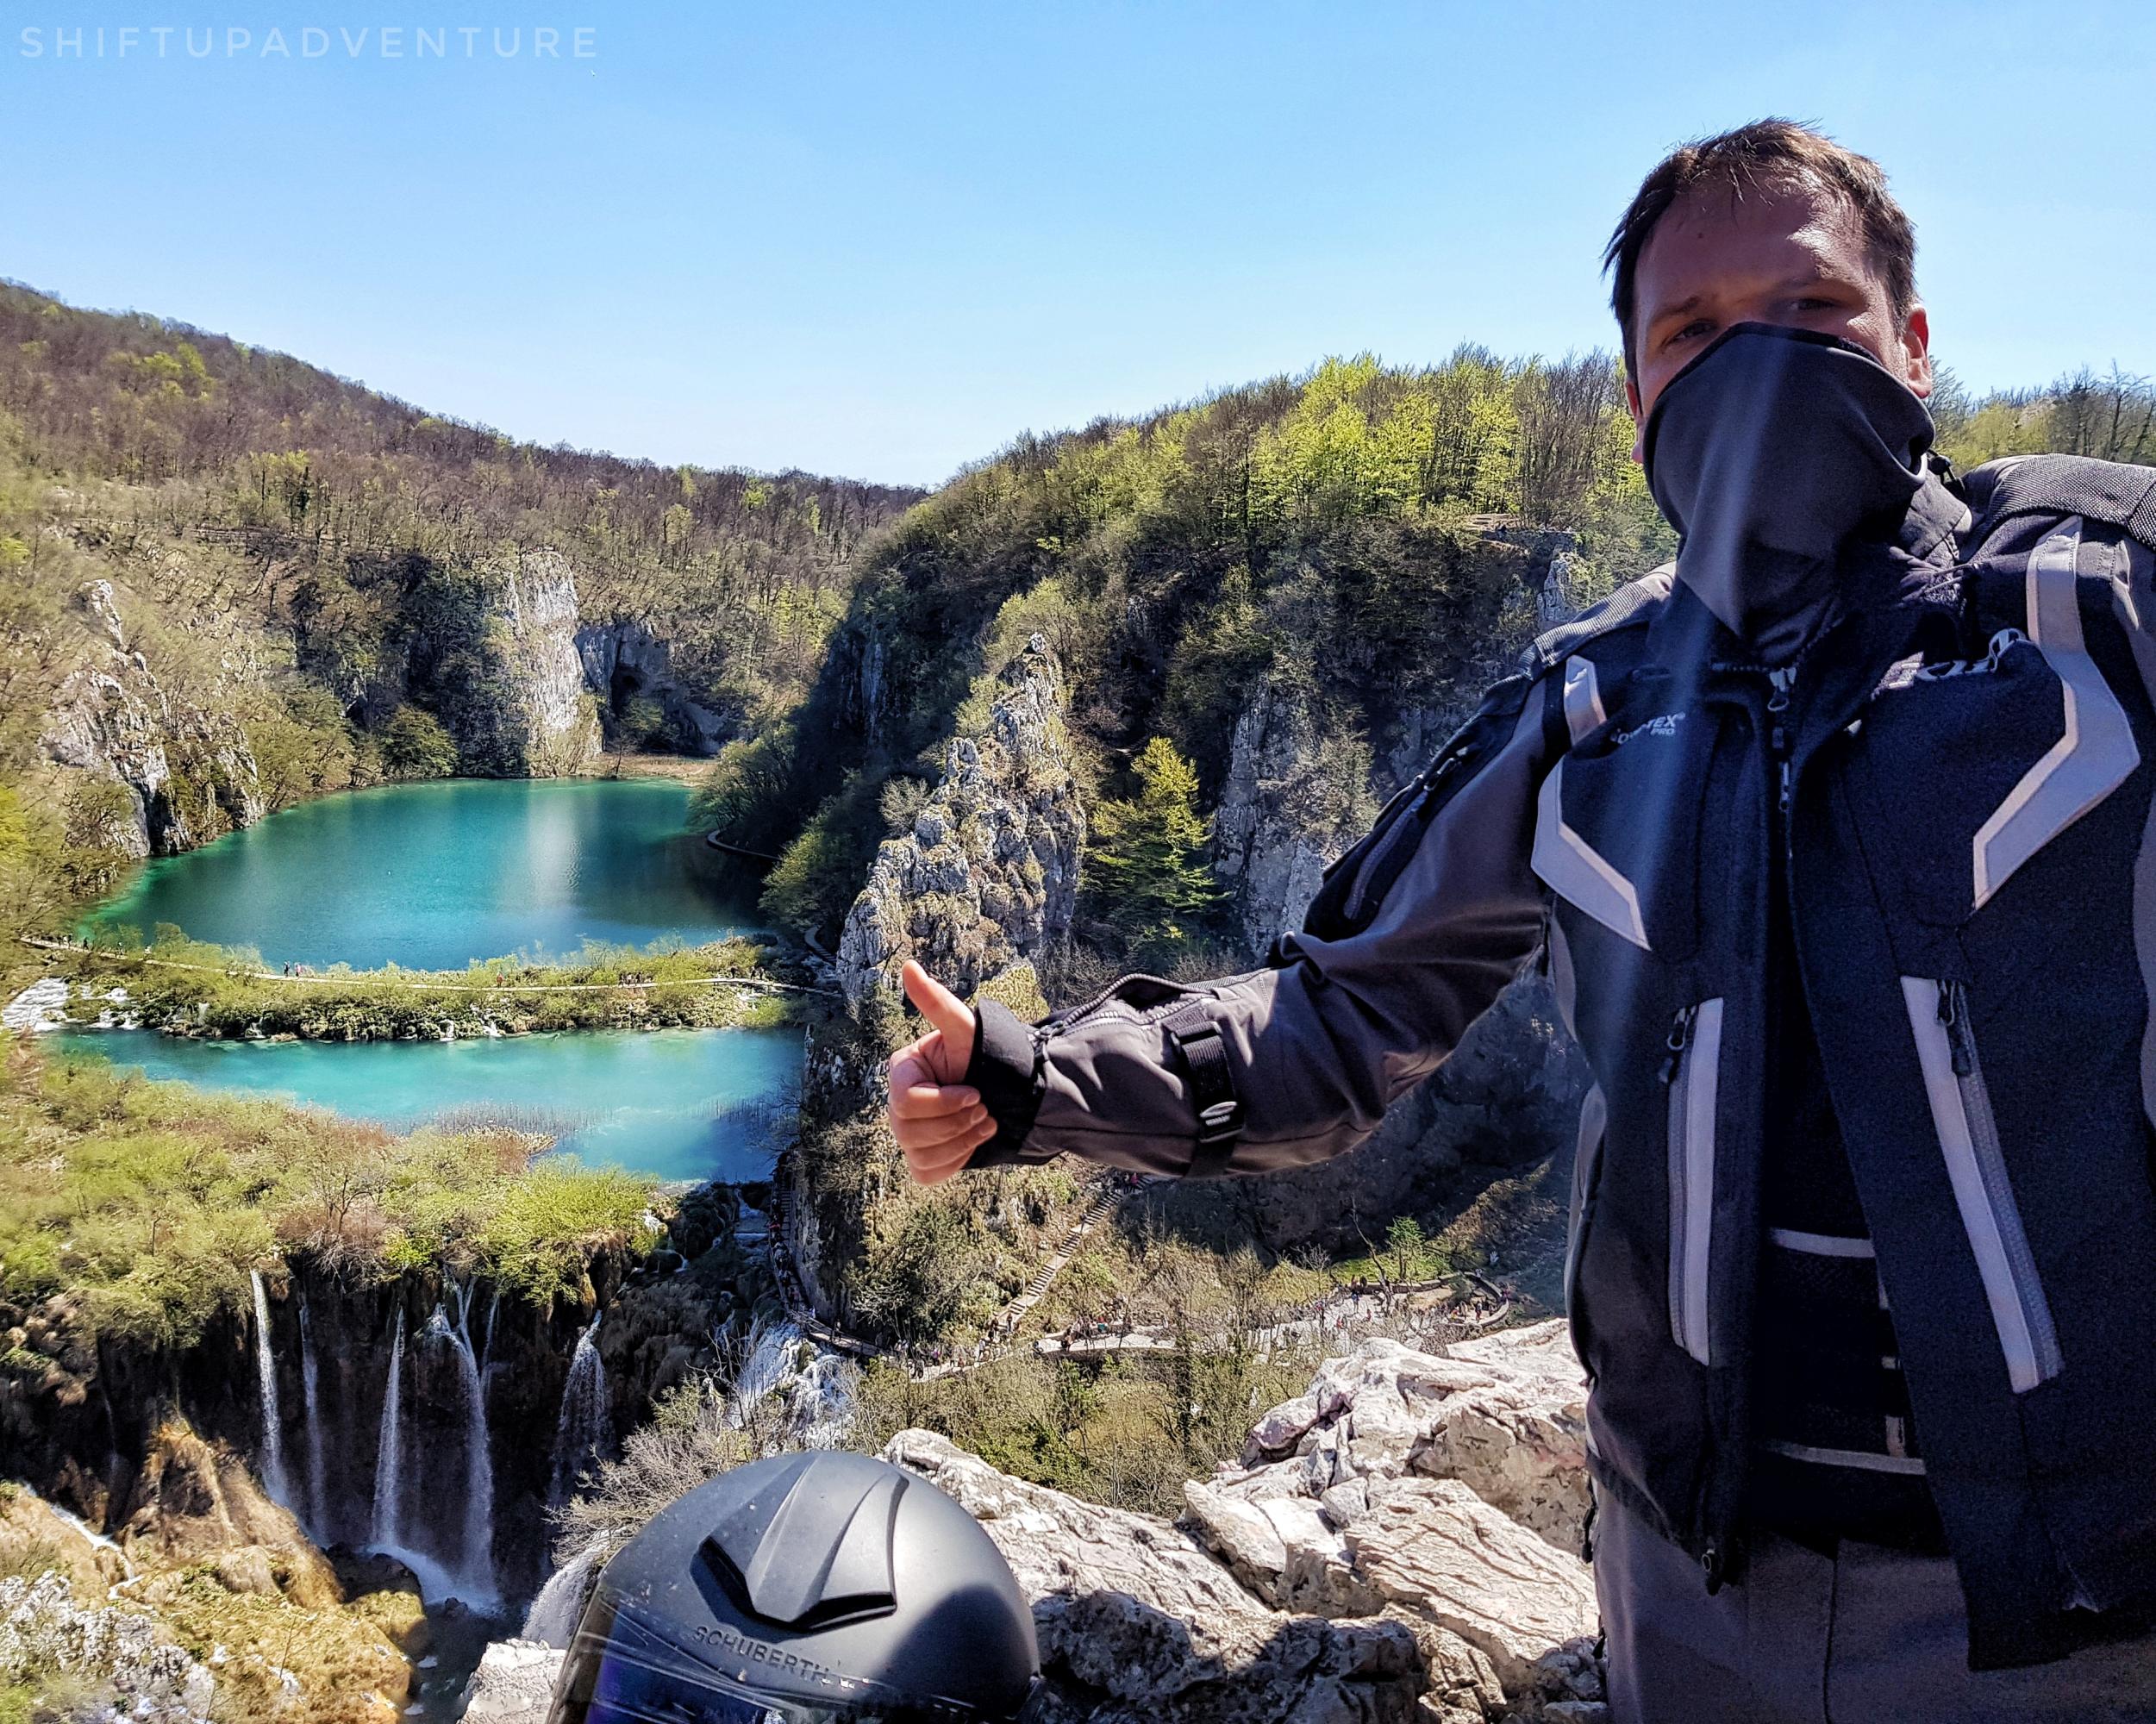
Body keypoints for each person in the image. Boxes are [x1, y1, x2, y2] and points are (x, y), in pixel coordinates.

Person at [883, 119, 2156, 1721]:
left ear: (1911, 348)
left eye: (1809, 316)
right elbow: (1344, 1016)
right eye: (1689, 334)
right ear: (1633, 399)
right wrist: (1036, 1076)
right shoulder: (1593, 704)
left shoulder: (2097, 609)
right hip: (1696, 1582)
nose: (1750, 367)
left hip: (2087, 1604)